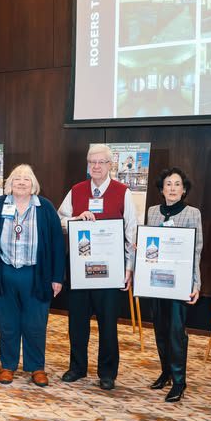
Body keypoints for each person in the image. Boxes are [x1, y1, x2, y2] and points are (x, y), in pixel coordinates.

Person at [58, 144, 138, 390]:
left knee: (107, 324)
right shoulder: (76, 190)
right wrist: (75, 219)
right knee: (77, 322)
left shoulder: (122, 192)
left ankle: (107, 372)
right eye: (92, 162)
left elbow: (131, 232)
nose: (96, 166)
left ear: (110, 165)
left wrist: (128, 269)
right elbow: (60, 220)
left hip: (110, 272)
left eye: (101, 162)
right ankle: (77, 367)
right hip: (81, 270)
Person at [0, 164, 65, 386]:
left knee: (35, 323)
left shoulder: (45, 208)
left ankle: (36, 367)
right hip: (4, 272)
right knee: (7, 322)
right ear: (10, 183)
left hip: (36, 275)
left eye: (26, 179)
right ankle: (8, 366)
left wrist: (57, 277)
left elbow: (57, 244)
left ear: (33, 184)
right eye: (17, 178)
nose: (21, 182)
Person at [146, 168, 202, 402]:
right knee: (160, 329)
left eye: (177, 184)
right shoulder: (153, 212)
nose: (172, 188)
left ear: (184, 189)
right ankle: (166, 372)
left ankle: (179, 381)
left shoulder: (192, 213)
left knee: (176, 332)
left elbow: (197, 250)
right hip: (156, 280)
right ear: (161, 189)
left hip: (179, 283)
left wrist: (196, 283)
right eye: (168, 184)